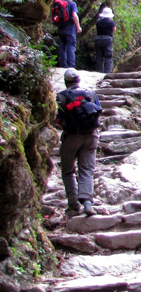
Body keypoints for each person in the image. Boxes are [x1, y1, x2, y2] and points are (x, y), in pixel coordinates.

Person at [55, 68, 102, 216]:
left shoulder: (61, 97)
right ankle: (88, 203)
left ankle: (73, 204)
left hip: (71, 137)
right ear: (79, 80)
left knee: (68, 170)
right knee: (87, 170)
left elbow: (57, 119)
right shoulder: (90, 93)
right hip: (91, 136)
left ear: (65, 82)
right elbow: (98, 111)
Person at [57, 0, 82, 68]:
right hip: (70, 29)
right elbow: (74, 15)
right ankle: (71, 66)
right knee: (71, 46)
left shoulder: (61, 4)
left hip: (61, 28)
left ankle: (63, 65)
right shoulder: (72, 4)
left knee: (62, 47)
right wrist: (78, 27)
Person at [94, 5, 115, 74]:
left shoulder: (98, 22)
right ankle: (108, 72)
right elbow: (113, 30)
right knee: (108, 56)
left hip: (98, 39)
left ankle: (99, 72)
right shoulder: (111, 22)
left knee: (99, 56)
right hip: (107, 39)